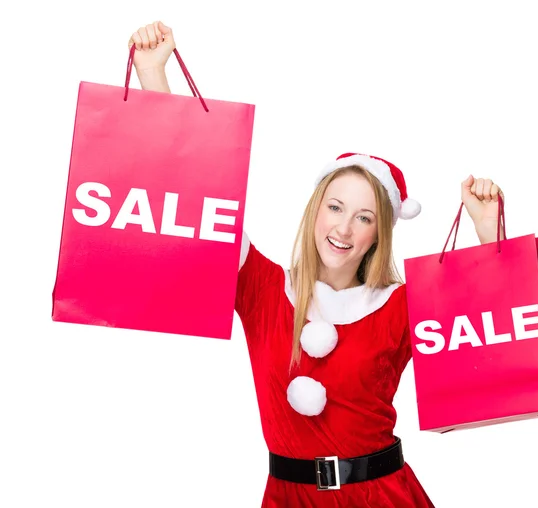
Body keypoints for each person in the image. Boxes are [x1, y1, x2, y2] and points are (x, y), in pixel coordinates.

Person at [128, 21, 506, 507]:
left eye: (364, 217)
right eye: (335, 207)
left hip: (383, 497)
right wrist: (153, 77)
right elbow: (190, 192)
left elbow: (488, 330)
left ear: (378, 234)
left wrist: (487, 230)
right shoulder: (261, 287)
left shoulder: (402, 305)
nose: (343, 229)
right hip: (287, 498)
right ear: (316, 210)